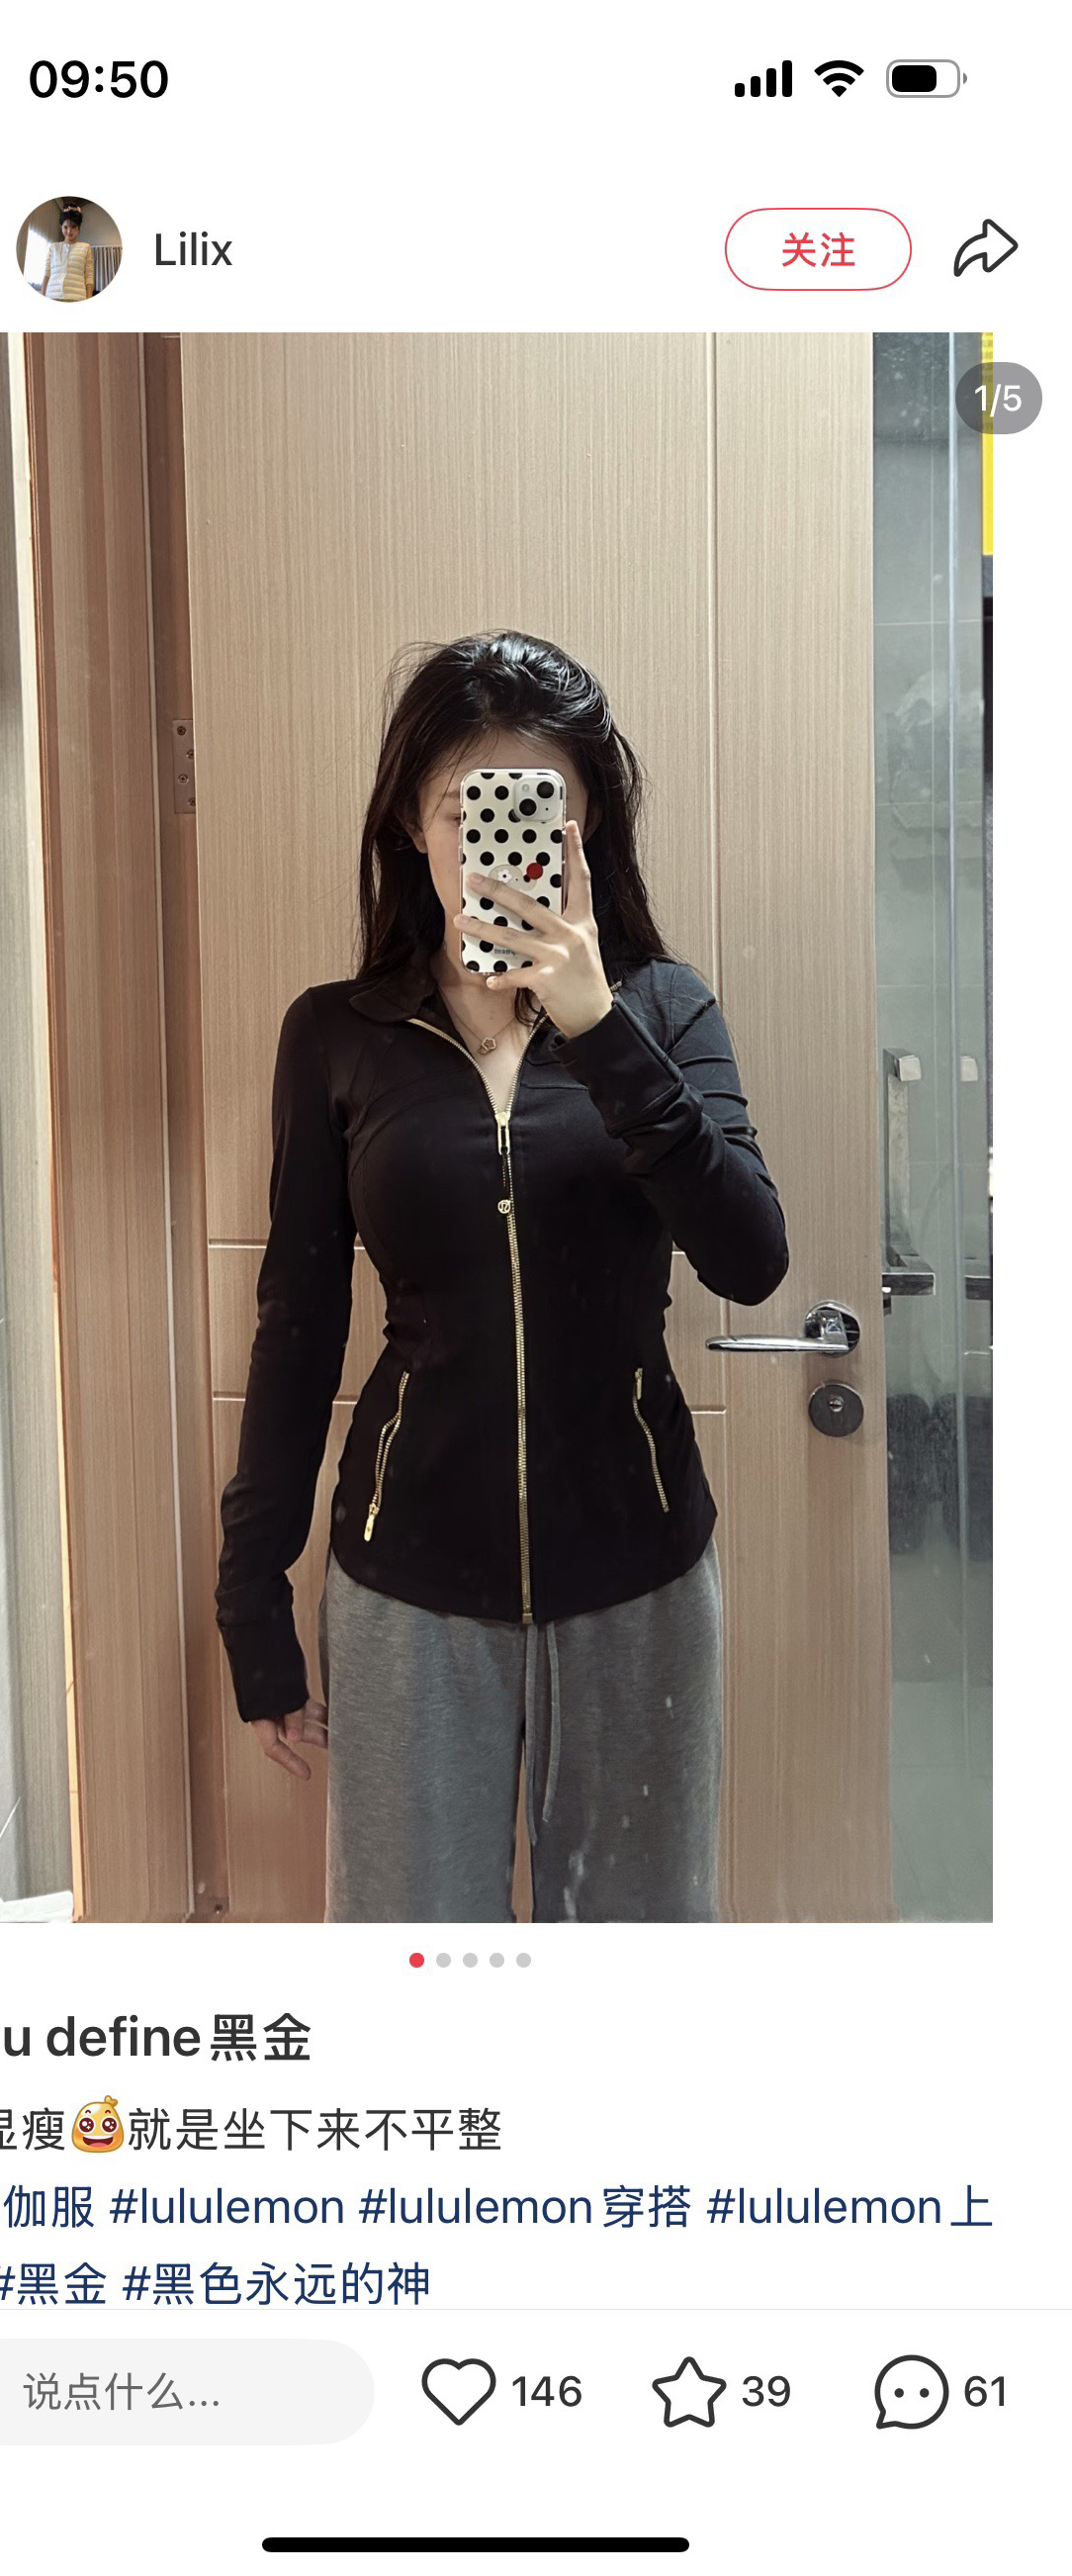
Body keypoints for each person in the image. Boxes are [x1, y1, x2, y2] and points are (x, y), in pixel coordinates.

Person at [216, 632, 790, 1922]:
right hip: (407, 1584)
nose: (497, 844)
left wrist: (599, 1026)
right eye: (462, 808)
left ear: (588, 828)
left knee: (637, 1957)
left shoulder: (663, 1009)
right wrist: (251, 1596)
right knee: (415, 1953)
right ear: (411, 827)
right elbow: (296, 1324)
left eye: (539, 808)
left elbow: (750, 1257)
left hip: (637, 1572)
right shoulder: (335, 1036)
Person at [37, 206, 95, 303]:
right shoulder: (53, 247)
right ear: (61, 227)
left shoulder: (85, 247)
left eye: (73, 227)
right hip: (52, 296)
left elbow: (89, 276)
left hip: (77, 298)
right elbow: (47, 274)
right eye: (65, 227)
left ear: (79, 228)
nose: (69, 231)